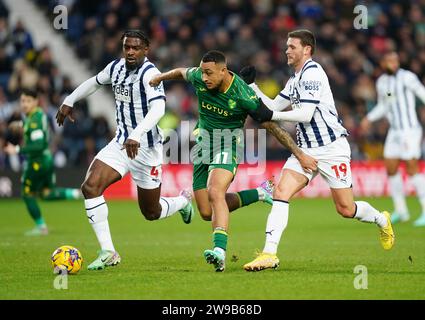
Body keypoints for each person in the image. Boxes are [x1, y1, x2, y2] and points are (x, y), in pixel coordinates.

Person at [149, 50, 318, 272]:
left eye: (209, 73)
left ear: (223, 70)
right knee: (207, 212)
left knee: (215, 191)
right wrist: (160, 77)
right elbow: (181, 72)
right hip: (203, 145)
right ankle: (258, 193)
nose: (204, 78)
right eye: (202, 73)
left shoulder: (242, 94)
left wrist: (299, 153)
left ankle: (219, 251)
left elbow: (269, 124)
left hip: (228, 143)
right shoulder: (200, 76)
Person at [241, 29, 395, 272]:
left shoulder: (313, 73)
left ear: (306, 50)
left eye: (292, 47)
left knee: (346, 208)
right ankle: (269, 253)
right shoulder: (294, 79)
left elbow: (305, 113)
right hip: (305, 149)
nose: (286, 51)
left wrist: (272, 116)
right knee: (281, 192)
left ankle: (380, 218)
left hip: (332, 148)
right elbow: (271, 105)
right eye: (286, 46)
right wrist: (253, 87)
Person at [56, 30, 194, 271]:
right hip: (121, 144)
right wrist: (70, 99)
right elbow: (95, 81)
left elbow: (159, 109)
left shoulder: (150, 74)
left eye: (135, 48)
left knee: (151, 212)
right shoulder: (116, 68)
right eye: (127, 47)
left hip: (147, 149)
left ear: (145, 50)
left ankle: (183, 202)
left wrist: (137, 134)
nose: (130, 52)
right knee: (90, 187)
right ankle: (109, 251)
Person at [4, 88, 81, 236]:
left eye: (28, 101)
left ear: (36, 102)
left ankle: (41, 227)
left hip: (37, 162)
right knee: (46, 193)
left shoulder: (35, 119)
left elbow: (38, 145)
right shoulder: (35, 116)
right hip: (46, 160)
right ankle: (76, 193)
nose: (24, 104)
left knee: (27, 193)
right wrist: (22, 126)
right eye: (22, 101)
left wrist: (17, 150)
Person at [360, 51, 425, 227]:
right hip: (395, 131)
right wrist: (369, 118)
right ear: (383, 63)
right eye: (389, 61)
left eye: (395, 60)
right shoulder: (382, 82)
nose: (393, 64)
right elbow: (384, 105)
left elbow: (421, 93)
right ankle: (401, 211)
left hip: (410, 130)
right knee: (390, 168)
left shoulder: (407, 77)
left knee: (412, 168)